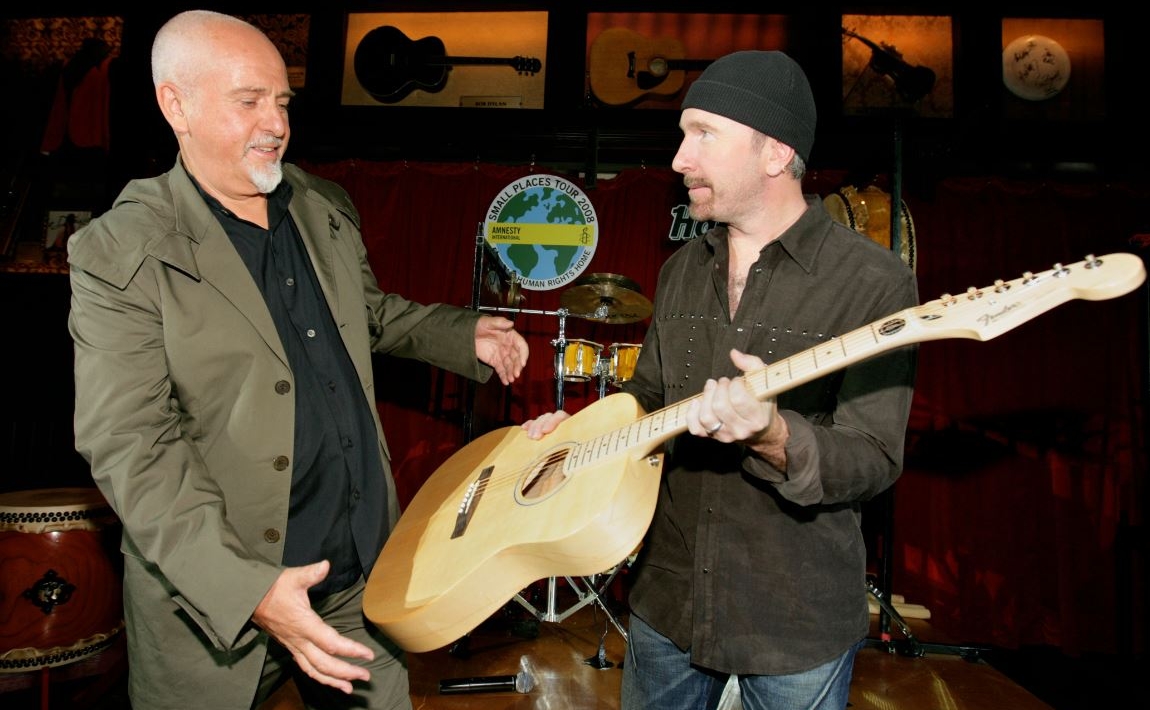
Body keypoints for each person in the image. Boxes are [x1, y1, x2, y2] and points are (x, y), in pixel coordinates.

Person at [67, 10, 528, 710]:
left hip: (355, 571)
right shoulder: (122, 251)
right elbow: (131, 443)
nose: (276, 124)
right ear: (175, 106)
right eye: (248, 101)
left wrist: (461, 335)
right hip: (216, 601)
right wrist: (247, 589)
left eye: (282, 102)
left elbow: (363, 314)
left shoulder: (320, 205)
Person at [523, 51, 918, 710]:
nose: (680, 159)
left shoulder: (875, 282)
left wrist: (774, 435)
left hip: (793, 621)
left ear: (775, 153)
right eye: (684, 135)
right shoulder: (681, 269)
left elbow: (874, 456)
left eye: (704, 134)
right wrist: (583, 435)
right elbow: (649, 396)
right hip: (667, 603)